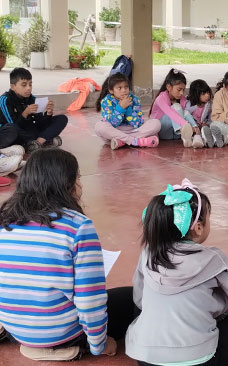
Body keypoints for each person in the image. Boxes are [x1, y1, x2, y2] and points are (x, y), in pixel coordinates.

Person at [0, 149, 136, 361]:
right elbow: (89, 300)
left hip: (15, 329)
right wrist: (99, 345)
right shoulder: (77, 227)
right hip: (63, 334)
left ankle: (30, 341)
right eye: (78, 178)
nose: (80, 185)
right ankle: (64, 348)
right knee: (132, 297)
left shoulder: (4, 220)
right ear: (66, 185)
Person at [126, 179, 228, 366]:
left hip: (145, 359)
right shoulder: (213, 259)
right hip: (199, 362)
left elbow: (139, 300)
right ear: (199, 227)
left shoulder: (148, 253)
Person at [0, 67, 68, 153]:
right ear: (13, 87)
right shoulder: (4, 100)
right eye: (24, 85)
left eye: (30, 84)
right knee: (12, 130)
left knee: (62, 118)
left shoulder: (32, 99)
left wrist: (48, 114)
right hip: (9, 131)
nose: (28, 88)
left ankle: (37, 143)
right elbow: (13, 125)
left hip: (29, 131)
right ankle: (45, 139)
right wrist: (25, 114)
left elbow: (41, 123)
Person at [94, 73, 160, 149]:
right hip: (115, 131)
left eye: (126, 87)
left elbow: (138, 123)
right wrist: (121, 108)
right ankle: (136, 141)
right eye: (119, 88)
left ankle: (121, 142)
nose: (124, 90)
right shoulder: (106, 101)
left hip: (133, 130)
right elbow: (112, 123)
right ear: (111, 90)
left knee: (156, 123)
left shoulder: (134, 99)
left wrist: (128, 108)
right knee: (99, 127)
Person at [150, 68, 202, 148]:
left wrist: (194, 125)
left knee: (185, 112)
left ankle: (196, 134)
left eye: (183, 90)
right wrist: (185, 125)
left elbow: (187, 113)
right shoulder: (161, 98)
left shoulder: (182, 99)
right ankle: (185, 132)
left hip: (176, 134)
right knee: (176, 107)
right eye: (179, 89)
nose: (181, 93)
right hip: (163, 131)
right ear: (169, 87)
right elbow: (171, 114)